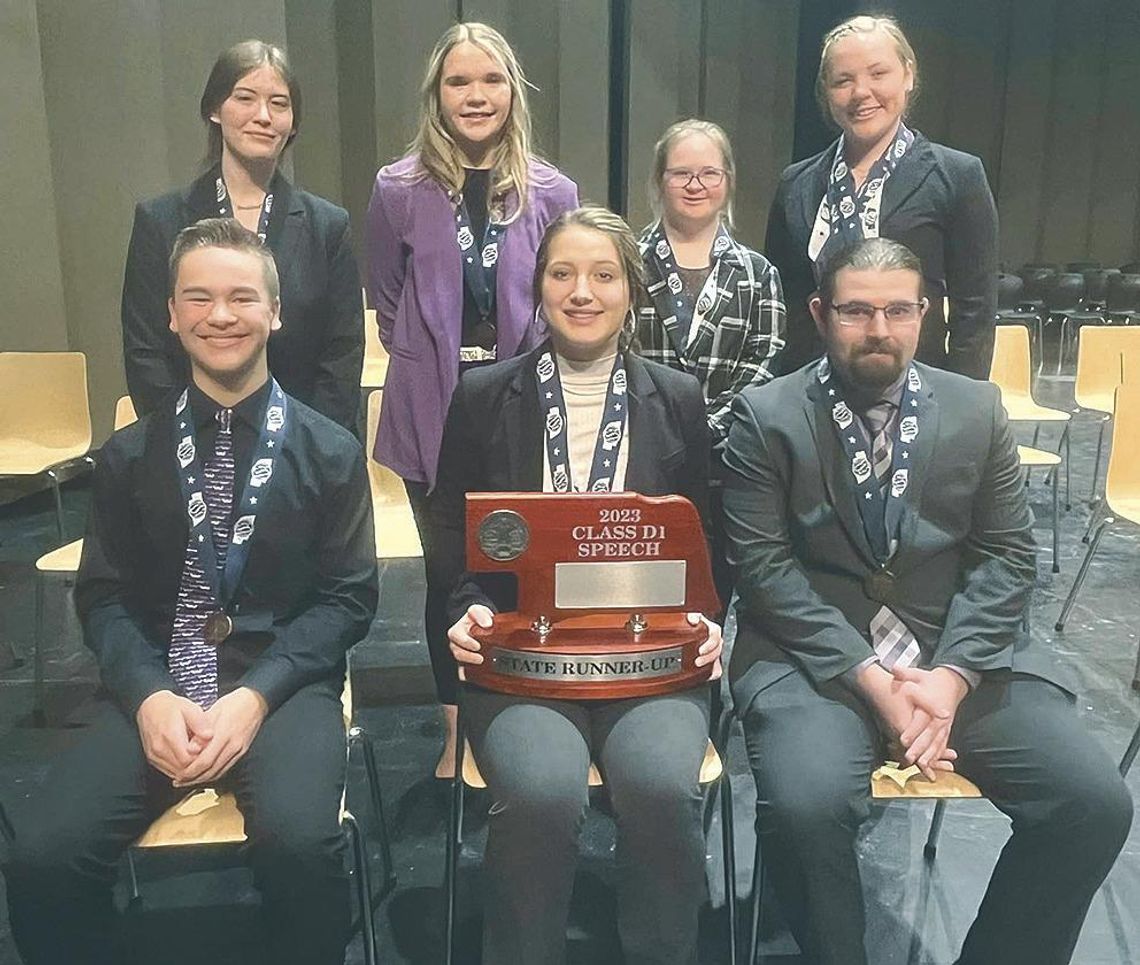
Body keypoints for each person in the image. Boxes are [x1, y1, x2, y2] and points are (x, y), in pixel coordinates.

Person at [723, 237, 1132, 965]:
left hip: (956, 657)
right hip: (819, 660)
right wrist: (872, 679)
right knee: (807, 806)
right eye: (855, 310)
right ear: (820, 313)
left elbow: (1008, 556)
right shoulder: (767, 415)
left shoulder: (976, 408)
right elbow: (763, 570)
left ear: (925, 313)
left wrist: (948, 678)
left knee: (1093, 805)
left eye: (897, 309)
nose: (878, 328)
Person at [6, 219, 378, 965]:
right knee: (43, 851)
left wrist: (255, 696)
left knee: (301, 844)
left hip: (280, 685)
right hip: (159, 684)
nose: (220, 315)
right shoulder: (129, 453)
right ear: (171, 315)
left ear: (275, 312)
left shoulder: (329, 451)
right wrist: (147, 696)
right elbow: (103, 598)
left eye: (242, 297)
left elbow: (348, 599)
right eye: (198, 298)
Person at [439, 206, 723, 965]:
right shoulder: (479, 395)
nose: (582, 291)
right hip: (520, 660)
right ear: (538, 286)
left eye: (604, 274)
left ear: (632, 289)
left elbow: (706, 542)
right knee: (541, 793)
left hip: (650, 660)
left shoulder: (681, 397)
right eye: (562, 273)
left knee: (663, 788)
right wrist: (464, 610)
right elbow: (455, 554)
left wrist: (708, 615)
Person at [366, 22, 578, 777]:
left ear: (511, 91)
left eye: (490, 80)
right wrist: (437, 360)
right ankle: (457, 731)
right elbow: (387, 300)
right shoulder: (398, 188)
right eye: (459, 82)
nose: (476, 95)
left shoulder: (553, 190)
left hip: (521, 407)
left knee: (521, 569)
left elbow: (561, 292)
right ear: (438, 95)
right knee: (447, 574)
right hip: (432, 409)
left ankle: (524, 711)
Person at [122, 39, 363, 431]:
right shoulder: (160, 220)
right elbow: (145, 353)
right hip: (186, 445)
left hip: (300, 449)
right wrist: (184, 440)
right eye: (245, 98)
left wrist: (310, 446)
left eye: (279, 104)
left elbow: (342, 354)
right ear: (215, 109)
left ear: (294, 122)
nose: (263, 116)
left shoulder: (327, 226)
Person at [766, 14, 997, 379]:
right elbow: (783, 305)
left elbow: (976, 312)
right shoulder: (795, 184)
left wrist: (963, 406)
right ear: (826, 91)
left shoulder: (958, 176)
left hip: (916, 392)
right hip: (811, 392)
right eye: (843, 80)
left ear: (907, 74)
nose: (861, 92)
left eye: (878, 74)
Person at [637, 117, 785, 611]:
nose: (695, 185)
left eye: (709, 173)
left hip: (727, 457)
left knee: (714, 587)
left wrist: (706, 427)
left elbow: (767, 360)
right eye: (681, 173)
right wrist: (663, 426)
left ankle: (702, 680)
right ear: (660, 180)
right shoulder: (627, 263)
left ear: (728, 181)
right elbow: (617, 354)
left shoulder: (758, 273)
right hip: (643, 451)